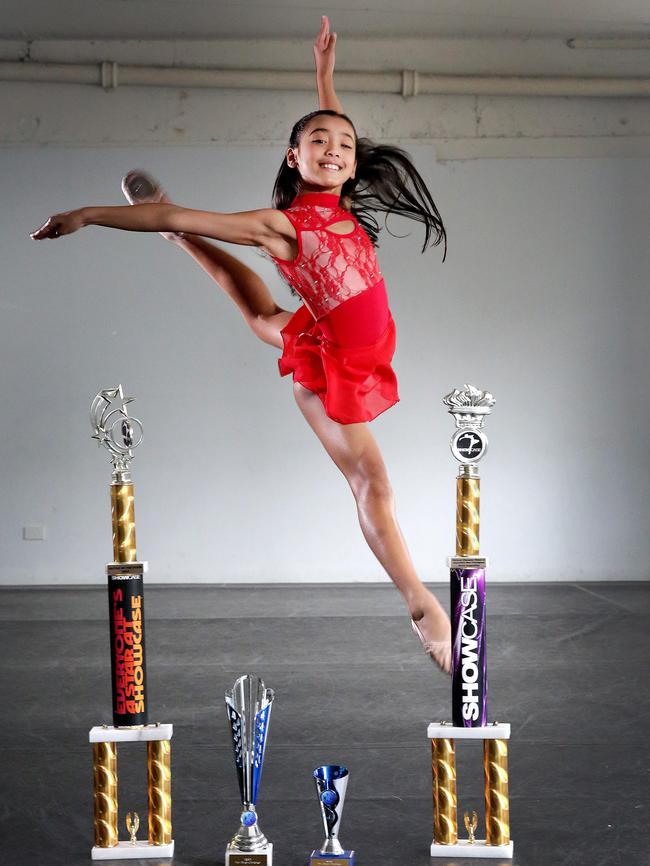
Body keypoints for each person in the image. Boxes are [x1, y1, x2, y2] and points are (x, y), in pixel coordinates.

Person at [31, 16, 452, 673]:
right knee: (370, 482)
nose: (336, 148)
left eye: (344, 143)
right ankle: (421, 604)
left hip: (336, 335)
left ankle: (189, 254)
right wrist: (88, 215)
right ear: (294, 157)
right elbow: (173, 209)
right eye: (319, 142)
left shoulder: (342, 199)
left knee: (263, 315)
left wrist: (324, 76)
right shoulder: (282, 223)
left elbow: (330, 125)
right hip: (327, 365)